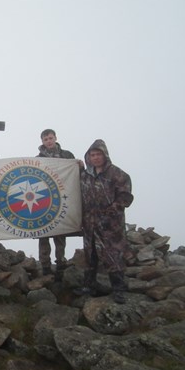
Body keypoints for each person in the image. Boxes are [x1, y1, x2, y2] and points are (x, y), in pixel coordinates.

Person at [75, 139, 134, 304]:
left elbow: (125, 197)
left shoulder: (117, 174)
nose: (95, 158)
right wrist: (77, 166)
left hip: (110, 225)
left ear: (105, 155)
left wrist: (111, 212)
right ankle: (89, 285)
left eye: (98, 154)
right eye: (92, 155)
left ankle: (119, 289)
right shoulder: (85, 175)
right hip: (89, 223)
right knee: (90, 254)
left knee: (113, 255)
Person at [35, 129, 75, 278]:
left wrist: (80, 165)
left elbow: (75, 174)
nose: (49, 141)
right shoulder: (36, 159)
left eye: (50, 138)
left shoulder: (67, 155)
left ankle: (61, 263)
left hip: (62, 201)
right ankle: (45, 265)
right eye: (45, 139)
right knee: (43, 234)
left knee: (60, 234)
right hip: (43, 202)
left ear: (55, 138)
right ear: (42, 141)